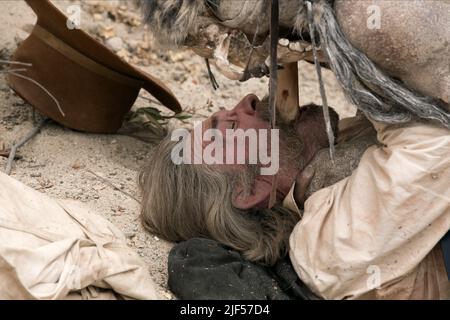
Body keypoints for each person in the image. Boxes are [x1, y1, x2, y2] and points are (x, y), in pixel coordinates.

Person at [140, 94, 450, 299]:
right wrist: (353, 52)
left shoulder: (334, 161)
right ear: (251, 190)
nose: (249, 100)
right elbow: (439, 140)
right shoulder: (326, 246)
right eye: (231, 126)